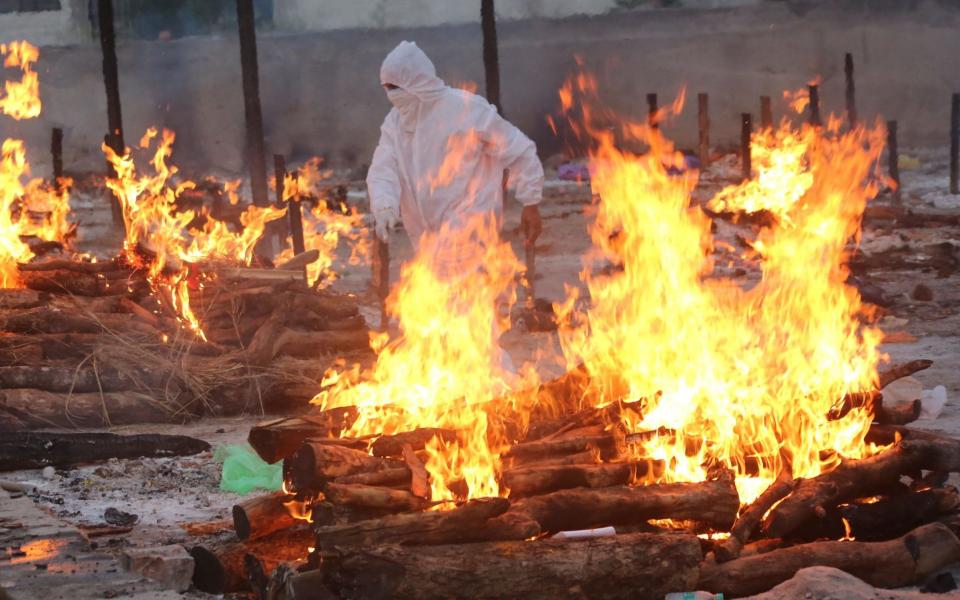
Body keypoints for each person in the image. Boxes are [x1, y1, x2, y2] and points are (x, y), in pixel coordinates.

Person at [367, 41, 544, 253]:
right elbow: (383, 168)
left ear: (417, 82)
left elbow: (519, 150)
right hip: (425, 236)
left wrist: (530, 201)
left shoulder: (466, 109)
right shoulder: (395, 122)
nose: (392, 94)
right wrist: (384, 205)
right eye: (387, 88)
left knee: (461, 283)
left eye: (396, 88)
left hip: (471, 226)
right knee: (432, 283)